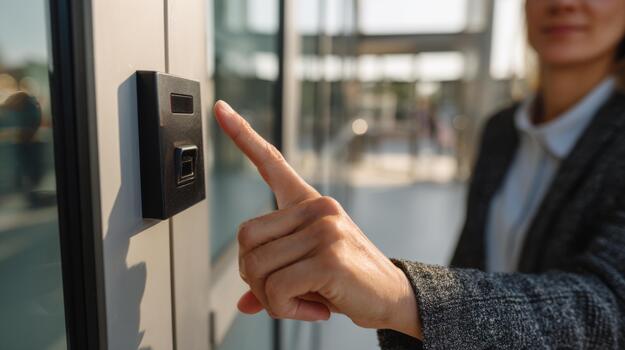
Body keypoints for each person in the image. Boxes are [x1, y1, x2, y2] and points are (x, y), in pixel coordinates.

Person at [212, 0, 625, 348]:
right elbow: (471, 264)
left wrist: (405, 296)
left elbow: (609, 307)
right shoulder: (501, 130)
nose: (566, 3)